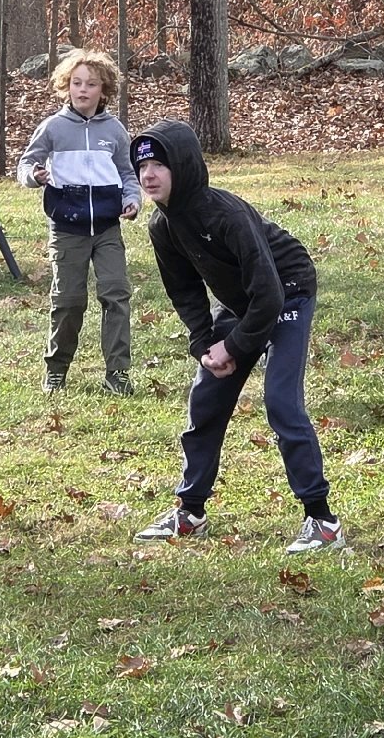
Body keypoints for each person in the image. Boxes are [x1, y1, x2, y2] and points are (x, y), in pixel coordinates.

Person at [128, 119, 345, 554]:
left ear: (184, 166)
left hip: (287, 293)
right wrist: (206, 344)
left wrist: (236, 345)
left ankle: (323, 522)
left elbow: (269, 293)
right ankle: (189, 512)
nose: (148, 174)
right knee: (206, 398)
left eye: (159, 164)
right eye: (141, 166)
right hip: (242, 302)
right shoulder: (163, 227)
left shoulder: (225, 214)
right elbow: (186, 293)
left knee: (281, 400)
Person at [17, 48, 140, 395]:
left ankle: (118, 373)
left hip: (107, 228)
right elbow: (26, 164)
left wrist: (132, 200)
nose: (83, 90)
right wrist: (35, 176)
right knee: (69, 301)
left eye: (91, 84)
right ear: (66, 87)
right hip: (67, 228)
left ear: (105, 90)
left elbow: (128, 173)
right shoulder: (53, 128)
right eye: (76, 83)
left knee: (116, 295)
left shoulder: (115, 131)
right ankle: (56, 369)